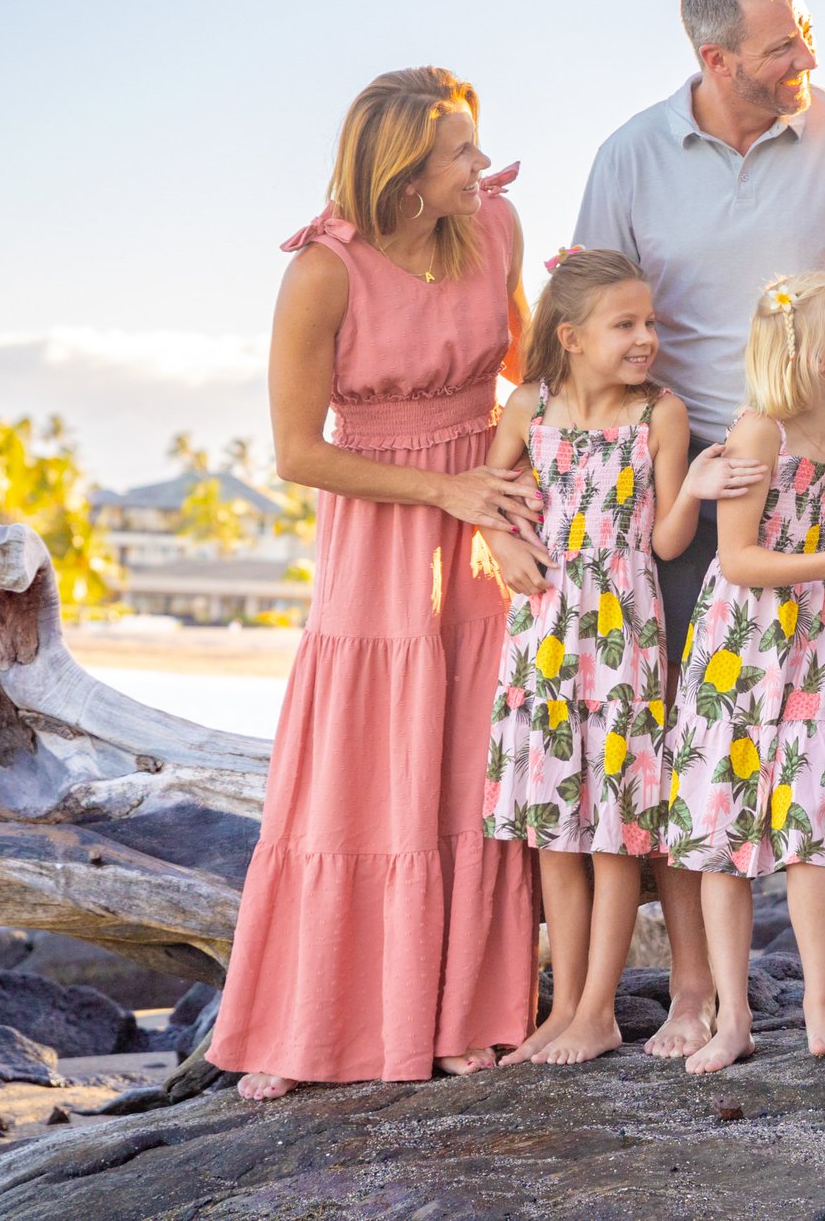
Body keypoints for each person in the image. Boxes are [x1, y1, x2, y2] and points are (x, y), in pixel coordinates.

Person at [573, 0, 825, 1057]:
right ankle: (697, 992)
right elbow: (589, 321)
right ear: (715, 56)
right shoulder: (629, 156)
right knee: (694, 735)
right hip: (700, 482)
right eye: (782, 45)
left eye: (805, 33)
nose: (805, 59)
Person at [215, 68, 541, 1098]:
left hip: (487, 511)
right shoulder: (323, 272)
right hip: (381, 527)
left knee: (472, 769)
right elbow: (296, 451)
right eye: (458, 152)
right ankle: (317, 1025)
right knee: (364, 773)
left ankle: (463, 1016)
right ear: (402, 169)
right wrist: (438, 492)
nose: (480, 167)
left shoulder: (497, 226)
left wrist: (516, 490)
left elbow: (529, 369)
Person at [476, 248, 761, 1066]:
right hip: (543, 636)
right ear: (570, 335)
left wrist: (699, 489)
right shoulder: (529, 407)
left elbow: (666, 538)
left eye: (651, 323)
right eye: (626, 324)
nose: (647, 338)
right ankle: (563, 1005)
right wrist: (501, 542)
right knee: (555, 836)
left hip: (621, 637)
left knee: (610, 835)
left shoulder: (658, 415)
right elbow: (485, 495)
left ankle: (598, 1009)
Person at [663, 274, 825, 1073]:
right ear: (808, 353)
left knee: (810, 827)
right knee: (722, 835)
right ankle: (733, 1016)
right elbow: (736, 558)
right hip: (739, 653)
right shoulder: (758, 432)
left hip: (814, 652)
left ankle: (816, 995)